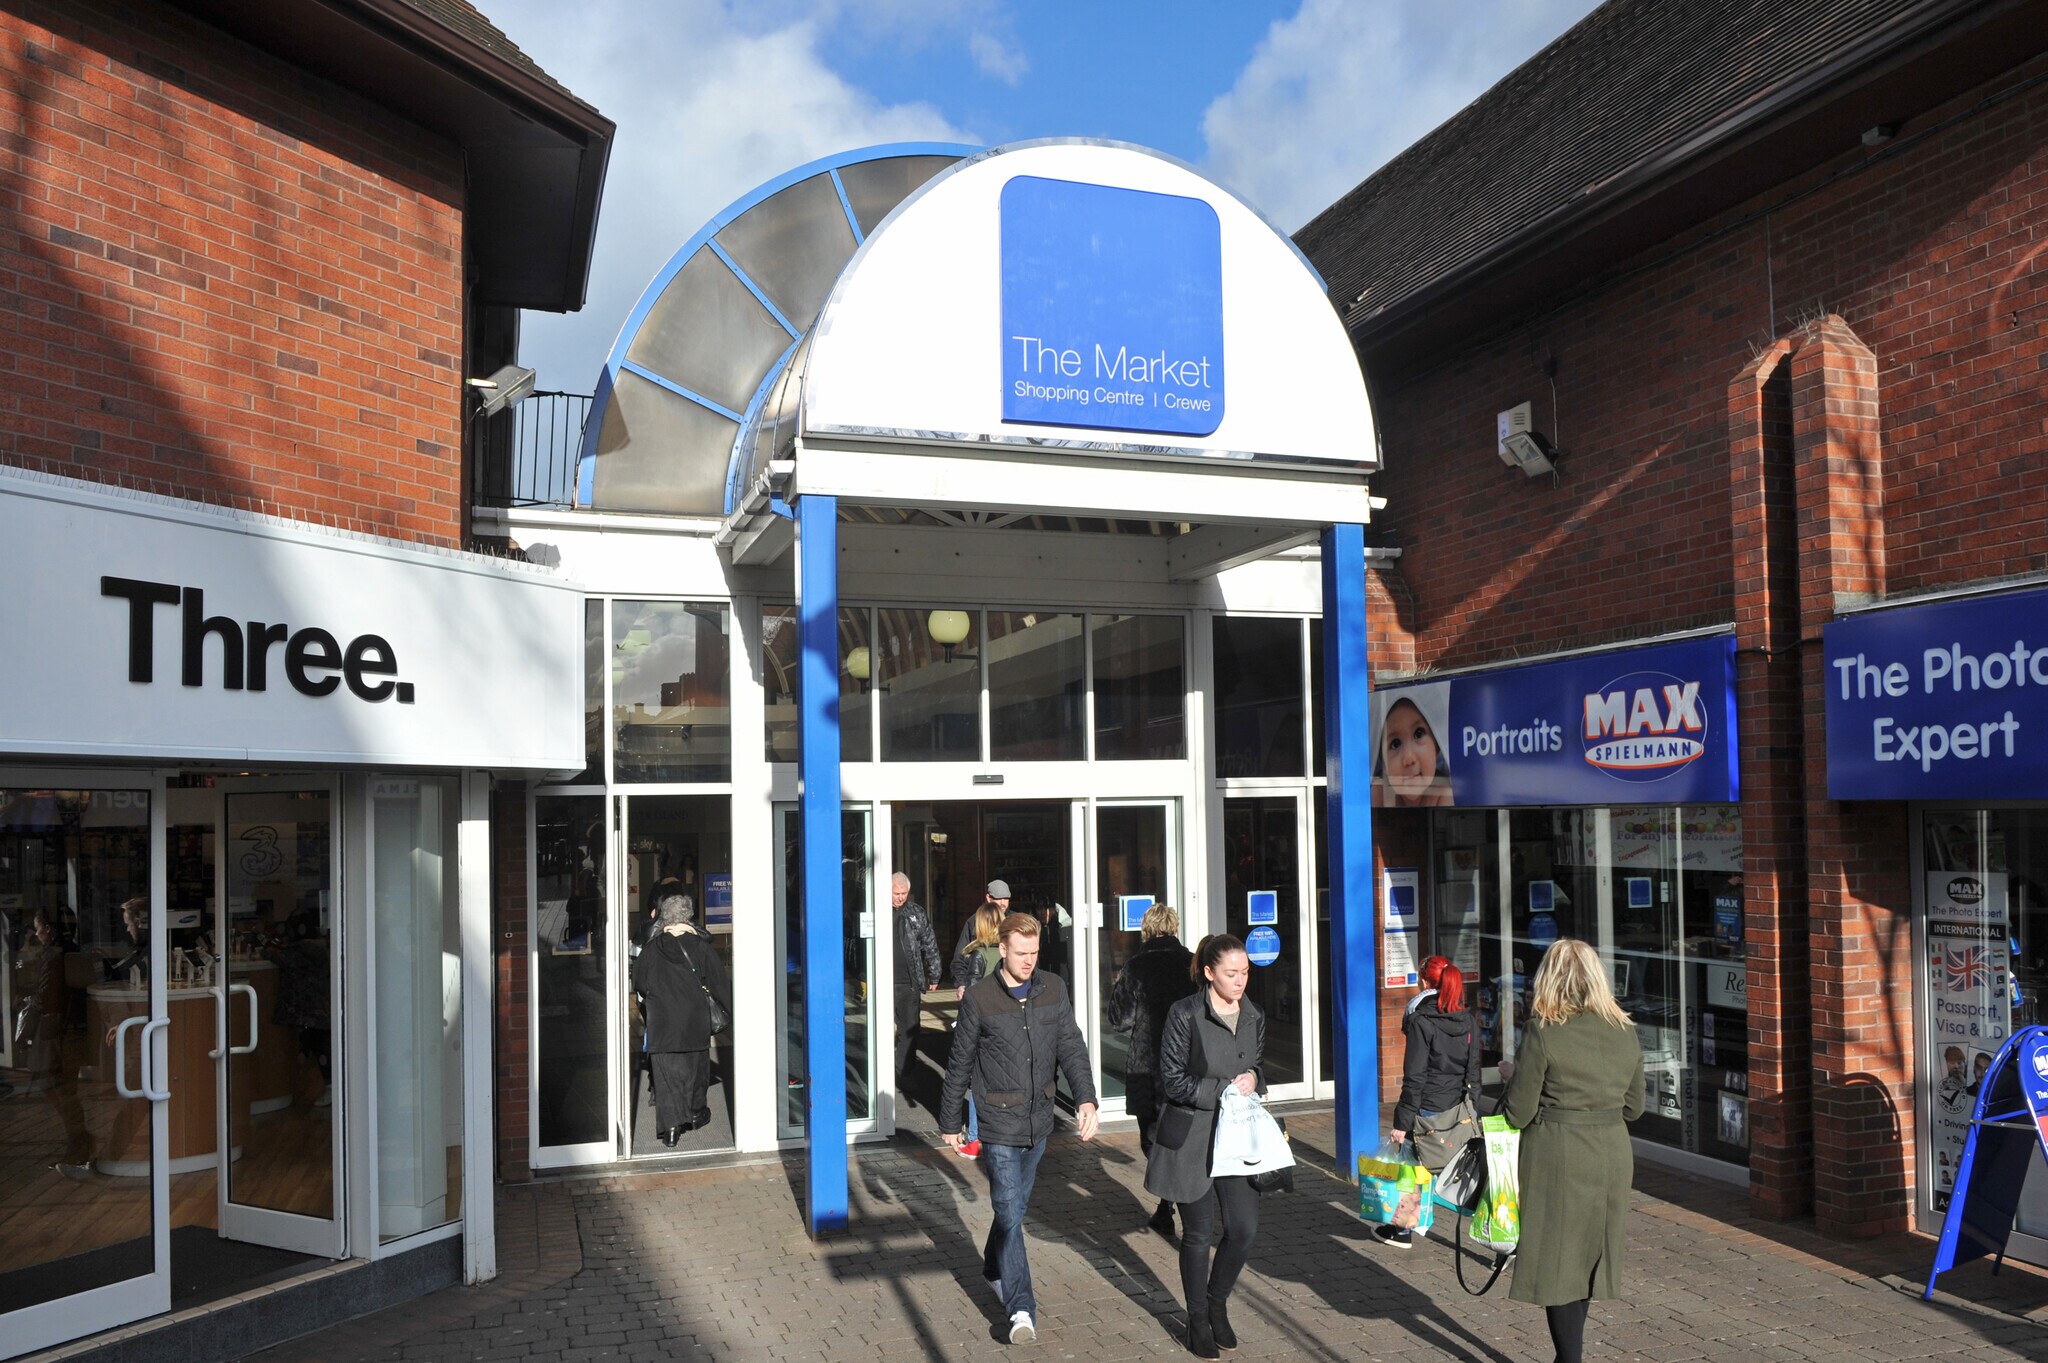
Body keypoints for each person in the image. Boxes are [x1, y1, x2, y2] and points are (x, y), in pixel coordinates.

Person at [940, 912, 1098, 1345]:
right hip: (997, 1121)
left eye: (1035, 953)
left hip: (1039, 1120)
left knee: (1013, 1210)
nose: (1029, 961)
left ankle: (993, 1266)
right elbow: (960, 1062)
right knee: (1010, 1210)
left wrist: (1086, 1098)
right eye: (1021, 953)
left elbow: (1071, 1045)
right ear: (1002, 949)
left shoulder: (1053, 989)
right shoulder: (980, 998)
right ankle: (1021, 1309)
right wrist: (951, 1122)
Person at [1501, 938, 1647, 1363]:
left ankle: (1569, 1359)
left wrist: (1513, 1076)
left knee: (1558, 1263)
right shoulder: (1625, 1030)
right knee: (1586, 1259)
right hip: (1612, 1154)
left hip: (1558, 1154)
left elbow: (1519, 1113)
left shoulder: (1542, 1031)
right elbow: (1635, 1108)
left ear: (1550, 979)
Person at [1146, 934, 1264, 1360]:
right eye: (1231, 973)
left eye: (1246, 972)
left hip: (1237, 1138)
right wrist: (1223, 1090)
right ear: (1209, 972)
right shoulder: (1185, 1014)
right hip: (1192, 1137)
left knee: (1243, 1229)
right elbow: (1173, 1079)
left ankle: (1217, 1303)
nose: (1240, 981)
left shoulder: (1253, 1014)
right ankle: (1196, 1320)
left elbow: (1257, 1066)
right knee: (1197, 1234)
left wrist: (1255, 1079)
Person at [1106, 902, 1196, 1237]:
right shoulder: (1192, 964)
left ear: (1146, 930)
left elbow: (1120, 1021)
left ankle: (1166, 1205)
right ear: (1174, 928)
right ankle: (1175, 1204)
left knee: (1152, 1139)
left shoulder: (1136, 966)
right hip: (1187, 1063)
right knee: (1184, 1135)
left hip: (1148, 1064)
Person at [1379, 955, 1480, 1248]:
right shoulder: (1468, 1020)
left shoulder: (1421, 1022)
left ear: (1424, 982)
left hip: (1426, 1110)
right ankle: (1498, 1235)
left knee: (1412, 1167)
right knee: (1464, 1174)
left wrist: (1402, 1122)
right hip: (1459, 1110)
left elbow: (1415, 1077)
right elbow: (1473, 1070)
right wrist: (1471, 1108)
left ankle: (1402, 1231)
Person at [631, 892, 733, 1146]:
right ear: (688, 917)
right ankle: (696, 1113)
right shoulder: (701, 947)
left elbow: (640, 984)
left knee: (666, 1076)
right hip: (695, 1020)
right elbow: (720, 985)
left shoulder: (652, 948)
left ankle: (671, 1129)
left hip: (662, 1022)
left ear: (665, 917)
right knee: (696, 1069)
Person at [948, 902, 1005, 1157]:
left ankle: (974, 1140)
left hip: (981, 1025)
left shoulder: (980, 954)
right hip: (1005, 1023)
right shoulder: (1007, 954)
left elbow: (972, 995)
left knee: (977, 1082)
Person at [891, 872, 941, 1097]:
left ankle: (904, 1073)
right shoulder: (875, 911)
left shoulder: (915, 914)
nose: (900, 898)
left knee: (909, 1030)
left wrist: (934, 974)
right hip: (883, 982)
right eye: (896, 893)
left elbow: (929, 944)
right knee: (879, 1031)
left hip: (909, 982)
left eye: (903, 894)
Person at [1374, 691, 1453, 807]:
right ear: (1384, 763)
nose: (1409, 757)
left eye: (1419, 734)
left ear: (1437, 745)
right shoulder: (1380, 792)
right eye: (1395, 744)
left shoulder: (1444, 792)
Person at [952, 878, 1013, 987]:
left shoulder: (1015, 921)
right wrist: (961, 984)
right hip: (982, 985)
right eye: (998, 898)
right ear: (988, 898)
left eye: (1006, 898)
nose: (1003, 903)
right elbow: (959, 959)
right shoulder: (975, 921)